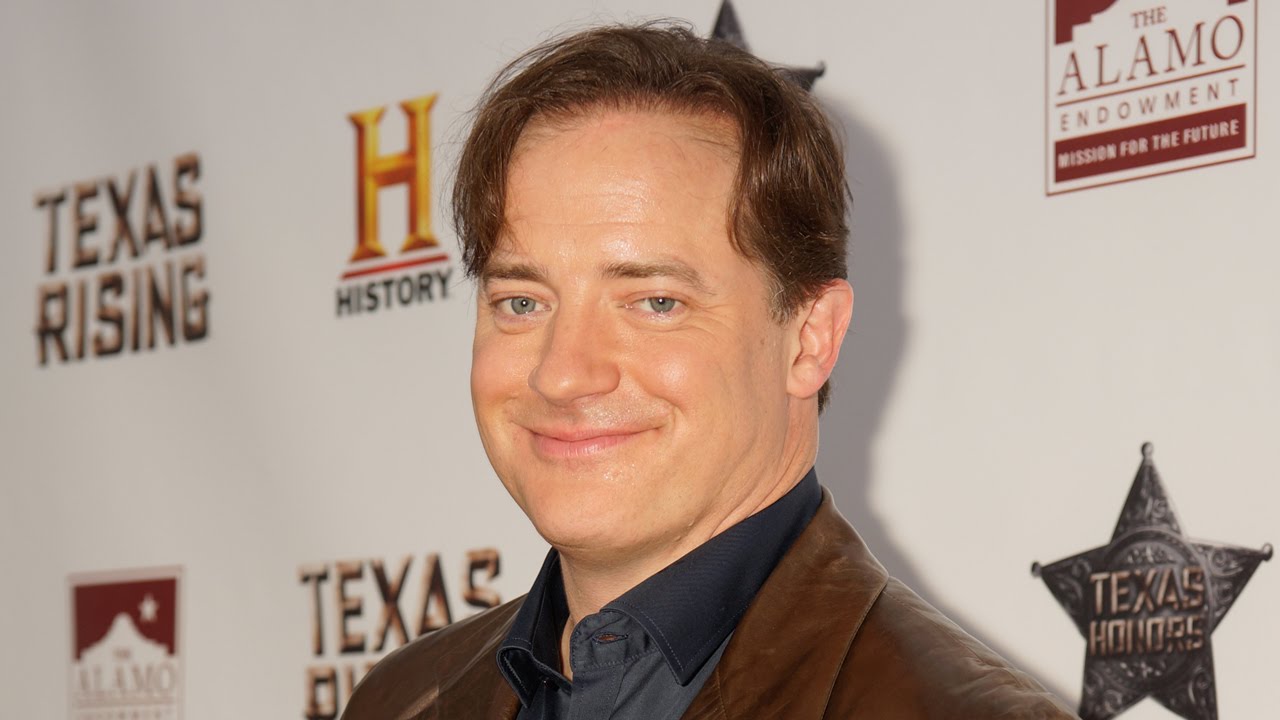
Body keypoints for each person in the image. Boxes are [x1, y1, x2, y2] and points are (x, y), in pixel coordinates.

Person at [343, 22, 1077, 720]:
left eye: (655, 302)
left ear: (810, 339)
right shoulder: (399, 700)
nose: (562, 375)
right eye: (522, 302)